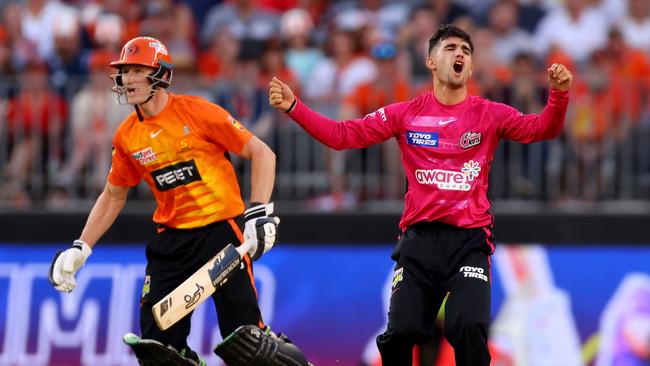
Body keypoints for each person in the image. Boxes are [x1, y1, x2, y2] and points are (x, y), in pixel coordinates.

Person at [270, 24, 572, 366]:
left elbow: (542, 128)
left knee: (469, 327)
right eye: (451, 48)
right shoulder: (405, 114)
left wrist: (559, 95)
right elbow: (342, 136)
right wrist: (295, 106)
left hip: (468, 241)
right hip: (419, 242)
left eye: (466, 51)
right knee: (400, 333)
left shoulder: (489, 114)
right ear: (430, 61)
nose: (460, 54)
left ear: (471, 68)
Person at [48, 36, 310, 366]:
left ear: (161, 75)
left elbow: (262, 153)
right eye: (124, 71)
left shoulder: (198, 112)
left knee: (249, 345)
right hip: (170, 243)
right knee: (158, 352)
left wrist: (258, 212)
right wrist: (81, 248)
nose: (127, 79)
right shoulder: (127, 135)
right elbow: (114, 194)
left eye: (136, 71)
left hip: (220, 233)